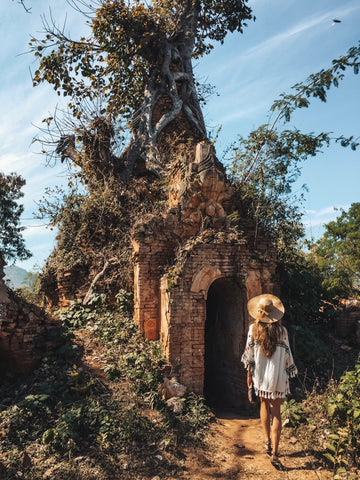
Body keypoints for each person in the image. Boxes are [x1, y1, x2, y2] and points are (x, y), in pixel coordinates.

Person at [241, 294, 297, 469]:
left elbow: (249, 357)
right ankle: (276, 453)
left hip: (261, 377)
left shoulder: (253, 330)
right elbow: (288, 357)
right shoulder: (283, 332)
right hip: (278, 378)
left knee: (264, 406)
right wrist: (289, 370)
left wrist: (249, 376)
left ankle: (267, 442)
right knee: (277, 413)